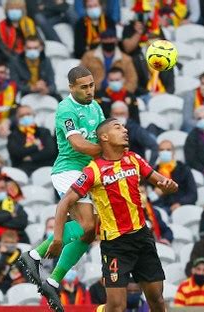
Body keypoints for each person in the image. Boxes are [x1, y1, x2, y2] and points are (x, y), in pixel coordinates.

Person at [46, 117, 178, 312]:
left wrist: (169, 186)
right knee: (116, 307)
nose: (125, 130)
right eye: (118, 127)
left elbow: (161, 182)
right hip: (116, 245)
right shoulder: (93, 170)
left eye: (124, 127)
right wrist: (57, 238)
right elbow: (65, 201)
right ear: (104, 137)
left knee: (157, 300)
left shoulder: (134, 158)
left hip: (142, 238)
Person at [16, 66, 105, 312]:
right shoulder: (65, 108)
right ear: (71, 87)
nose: (89, 90)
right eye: (83, 87)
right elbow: (77, 143)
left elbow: (102, 136)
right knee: (87, 225)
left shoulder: (96, 107)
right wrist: (109, 151)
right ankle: (34, 254)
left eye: (91, 85)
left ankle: (52, 278)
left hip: (88, 172)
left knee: (89, 233)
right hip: (68, 170)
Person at [120, 11, 174, 97]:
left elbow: (171, 88)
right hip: (144, 96)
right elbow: (136, 85)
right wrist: (149, 94)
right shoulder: (137, 60)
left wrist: (161, 95)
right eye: (150, 38)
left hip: (163, 96)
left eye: (156, 39)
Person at [82, 28, 138, 93]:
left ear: (116, 40)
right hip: (94, 94)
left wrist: (122, 94)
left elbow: (132, 81)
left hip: (119, 95)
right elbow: (79, 77)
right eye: (105, 38)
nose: (108, 41)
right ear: (101, 40)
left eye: (111, 38)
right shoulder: (88, 56)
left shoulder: (126, 59)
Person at [7, 105, 57, 176]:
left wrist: (31, 157)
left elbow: (50, 150)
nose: (25, 117)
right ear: (17, 119)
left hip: (46, 166)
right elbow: (17, 153)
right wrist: (36, 147)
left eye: (28, 114)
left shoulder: (44, 131)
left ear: (33, 115)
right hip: (25, 169)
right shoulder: (13, 136)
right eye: (22, 115)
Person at [150, 140, 197, 214]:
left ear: (174, 152)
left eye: (168, 150)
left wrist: (180, 203)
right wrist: (155, 194)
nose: (165, 152)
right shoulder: (154, 171)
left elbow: (193, 194)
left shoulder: (183, 169)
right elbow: (148, 197)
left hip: (182, 206)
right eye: (162, 150)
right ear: (158, 152)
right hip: (162, 208)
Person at [110, 101, 158, 166]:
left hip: (135, 167)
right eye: (116, 114)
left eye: (122, 114)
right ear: (111, 115)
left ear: (127, 114)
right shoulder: (107, 130)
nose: (119, 117)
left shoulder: (136, 129)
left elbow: (154, 145)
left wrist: (150, 167)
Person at [0, 229, 27, 293]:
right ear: (0, 243)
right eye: (6, 242)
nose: (9, 245)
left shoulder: (22, 260)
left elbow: (27, 279)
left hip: (17, 291)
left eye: (12, 242)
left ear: (16, 243)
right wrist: (2, 256)